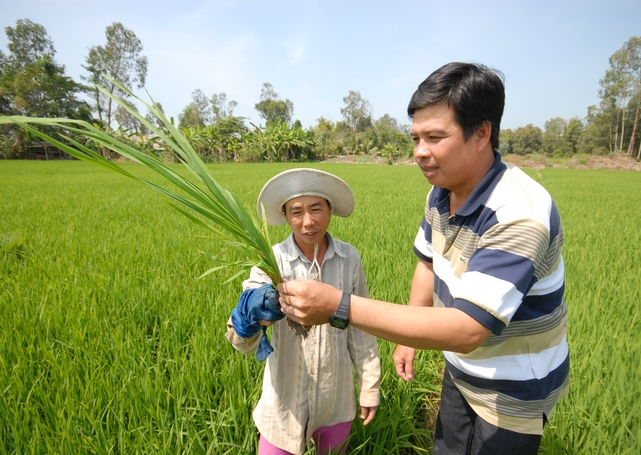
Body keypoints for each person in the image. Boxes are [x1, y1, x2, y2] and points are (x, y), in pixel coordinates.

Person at [277, 63, 569, 455]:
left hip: (513, 390)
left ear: (481, 133)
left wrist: (336, 305)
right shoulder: (441, 192)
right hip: (462, 369)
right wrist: (408, 340)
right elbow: (428, 263)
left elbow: (467, 329)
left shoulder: (519, 213)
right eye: (415, 138)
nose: (419, 152)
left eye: (434, 137)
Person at [225, 168, 381, 455]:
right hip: (284, 404)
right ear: (285, 216)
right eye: (296, 211)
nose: (308, 221)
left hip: (335, 398)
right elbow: (241, 342)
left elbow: (360, 327)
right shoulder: (271, 263)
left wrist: (369, 386)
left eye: (316, 209)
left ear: (331, 209)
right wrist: (253, 315)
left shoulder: (349, 258)